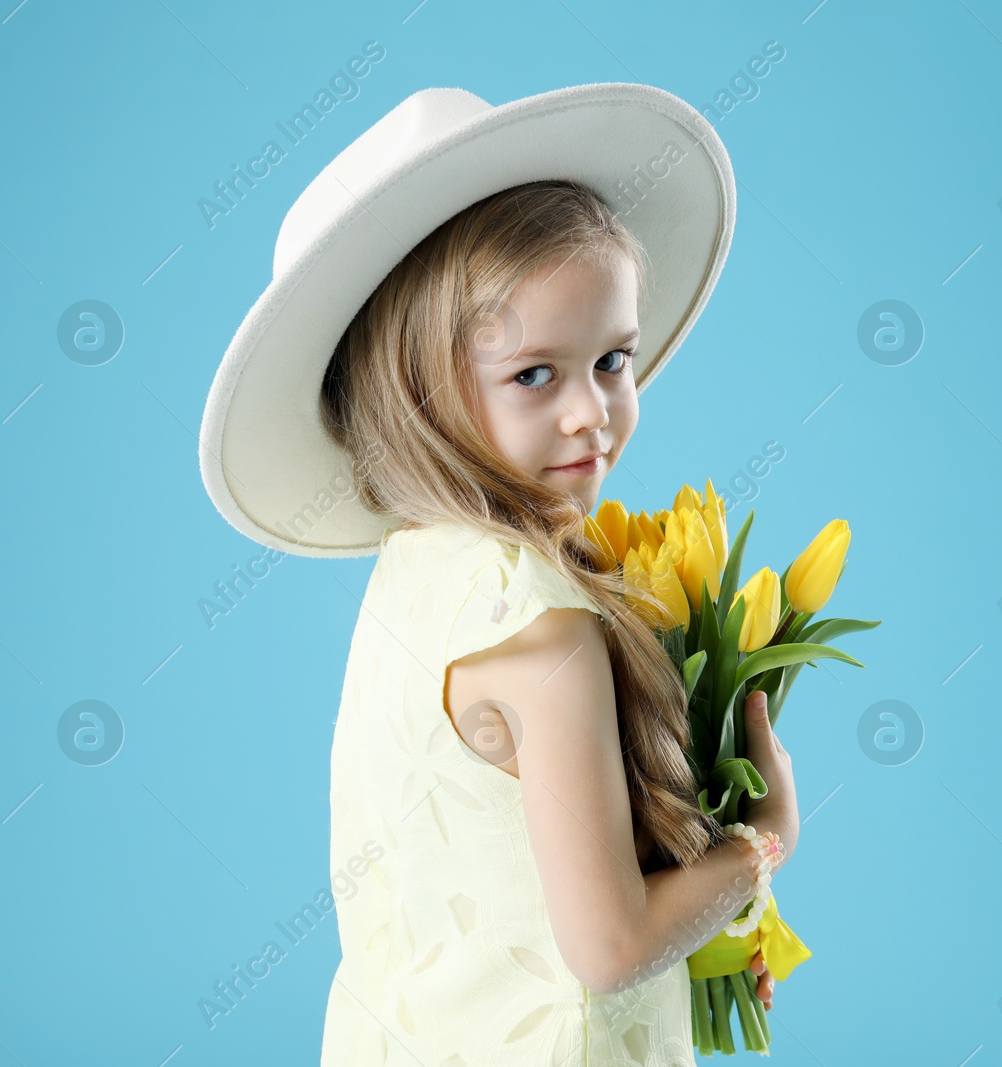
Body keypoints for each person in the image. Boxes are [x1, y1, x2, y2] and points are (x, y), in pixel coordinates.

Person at [199, 85, 800, 1065]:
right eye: (534, 374)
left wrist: (704, 923)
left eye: (612, 358)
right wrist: (762, 840)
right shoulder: (546, 631)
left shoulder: (419, 572)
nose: (590, 412)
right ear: (417, 396)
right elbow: (607, 946)